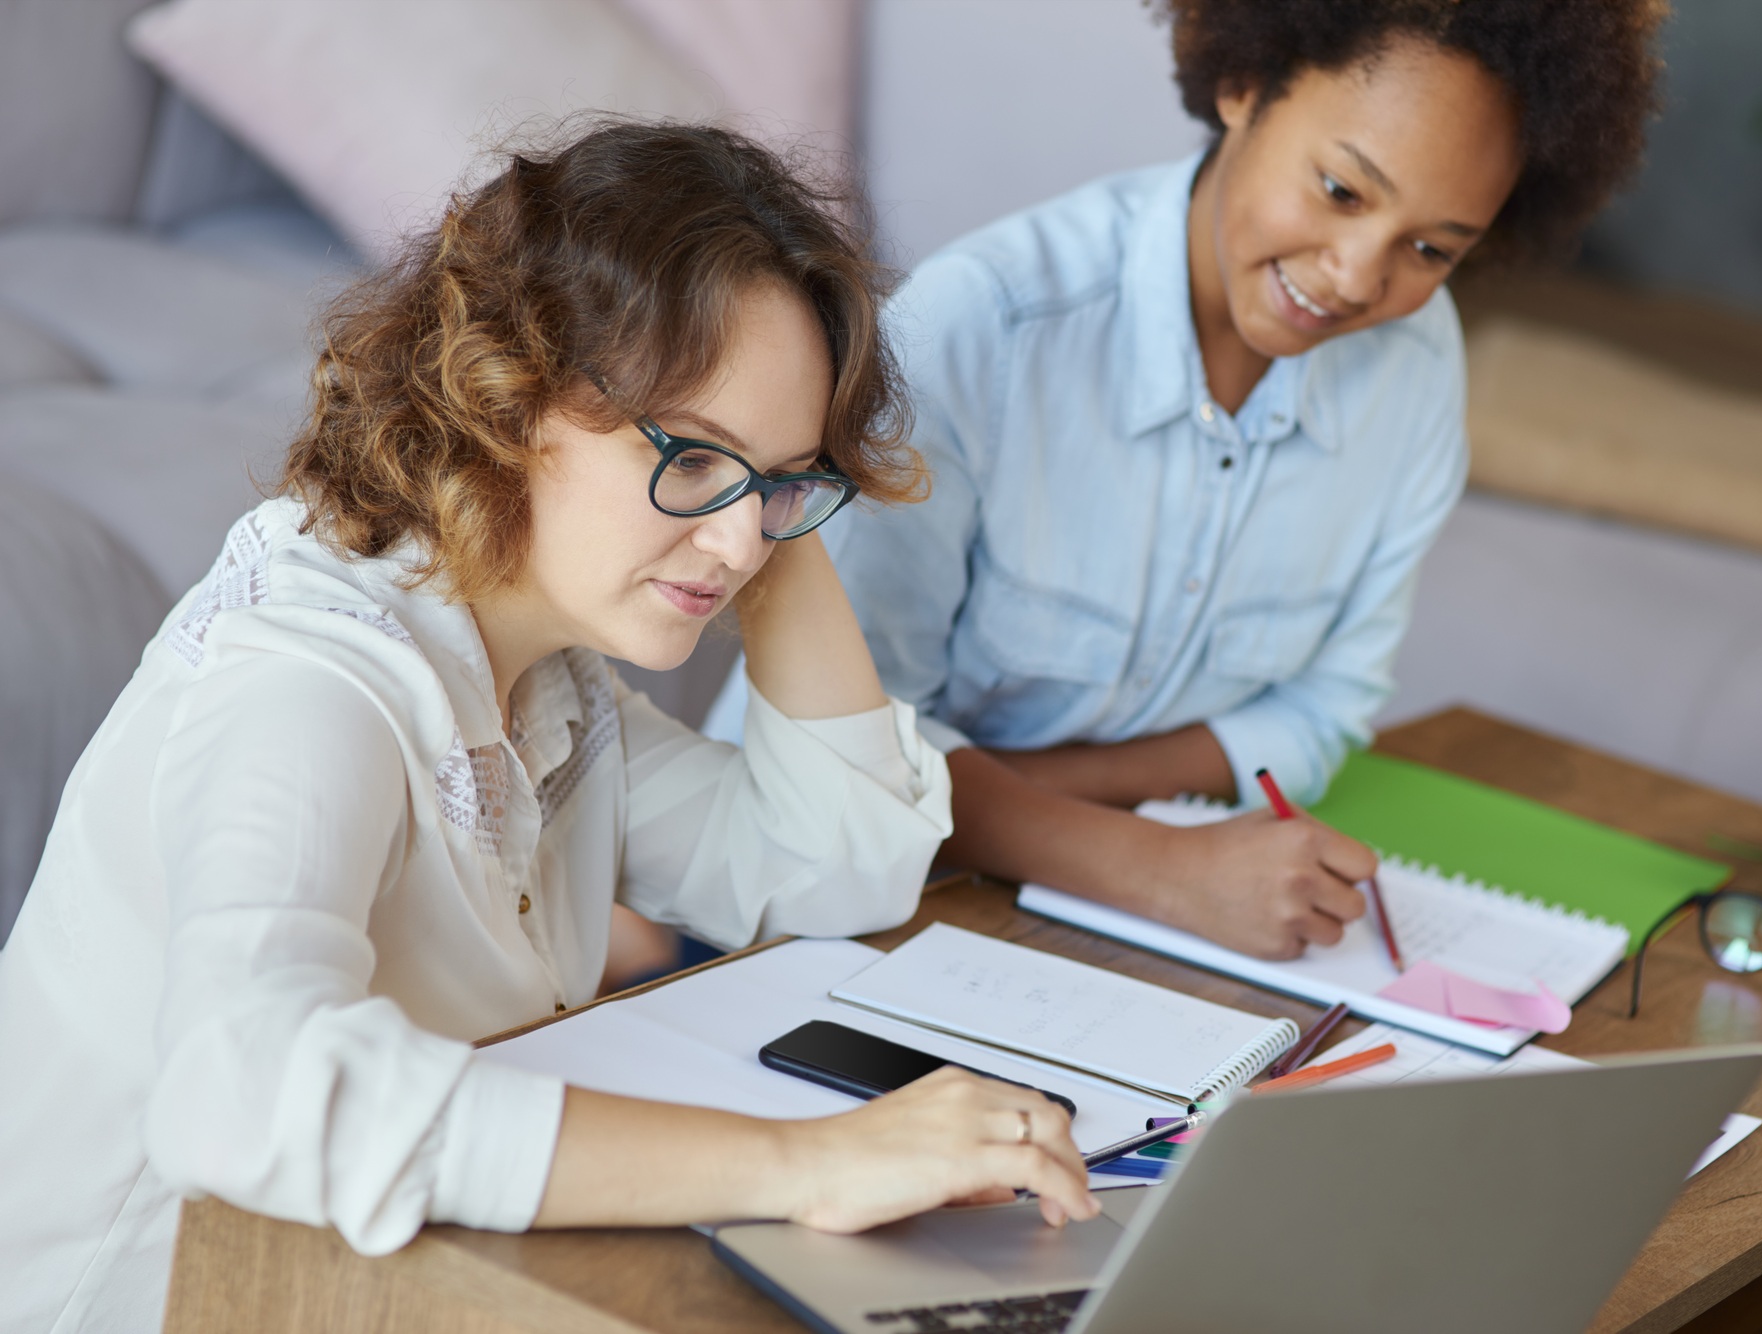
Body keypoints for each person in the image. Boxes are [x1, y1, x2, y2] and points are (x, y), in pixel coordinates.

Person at [0, 122, 1098, 1334]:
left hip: (382, 1283)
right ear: (509, 396)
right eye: (689, 456)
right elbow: (243, 1089)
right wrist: (812, 1162)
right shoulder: (307, 685)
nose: (740, 542)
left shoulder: (544, 679)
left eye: (785, 480)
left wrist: (752, 517)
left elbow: (834, 866)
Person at [708, 0, 1663, 962]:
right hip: (803, 920)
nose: (1357, 277)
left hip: (1057, 905)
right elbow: (844, 750)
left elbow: (1326, 705)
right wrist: (1161, 867)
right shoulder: (985, 329)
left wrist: (1057, 801)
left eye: (1432, 249)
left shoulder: (1413, 373)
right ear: (1245, 85)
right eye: (1340, 189)